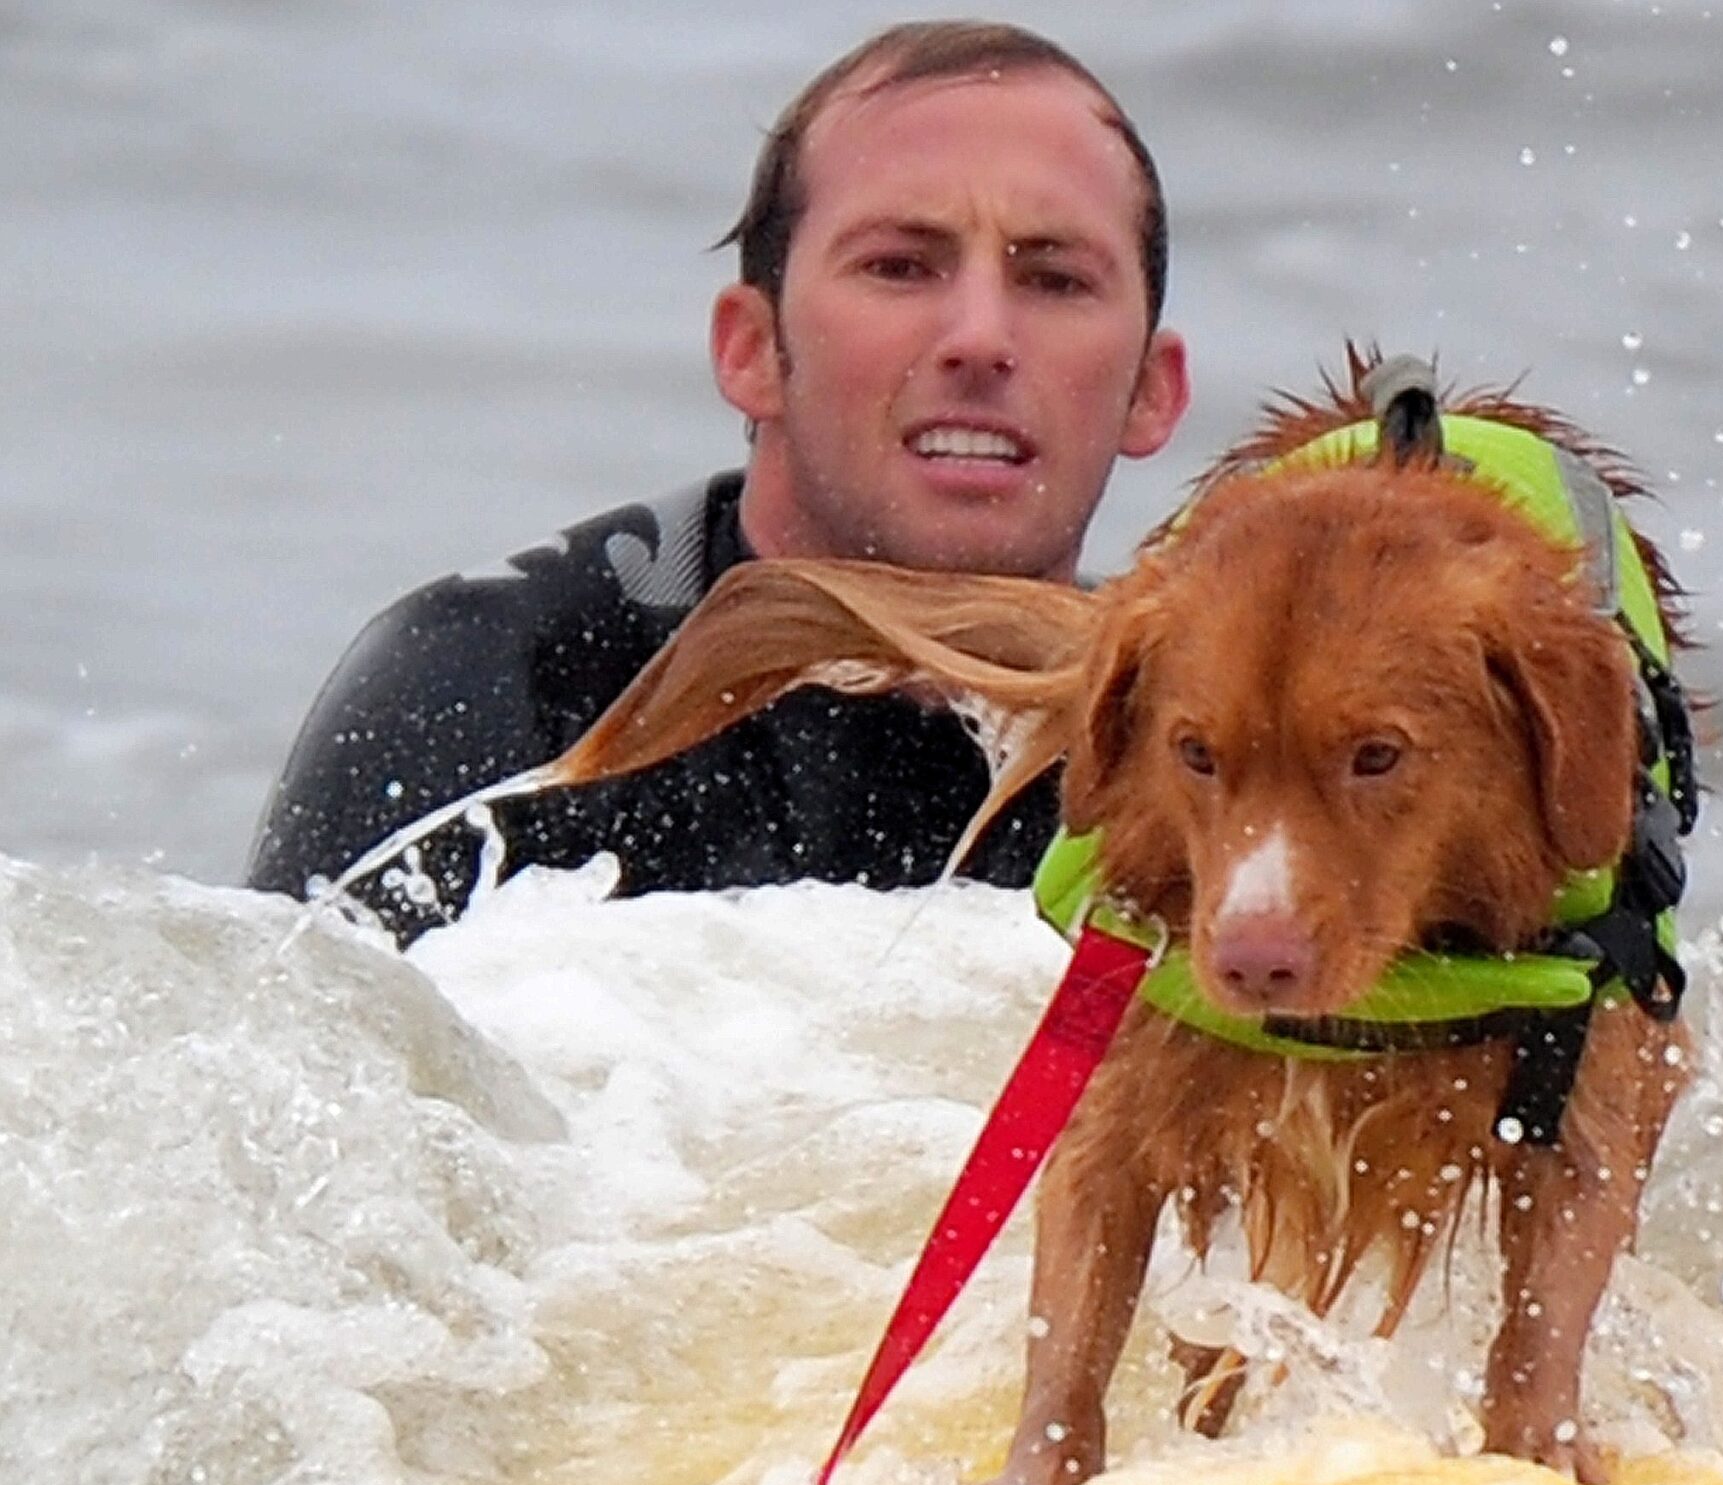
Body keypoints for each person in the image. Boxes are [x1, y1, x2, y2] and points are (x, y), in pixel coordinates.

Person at [246, 20, 1190, 940]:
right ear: (752, 351)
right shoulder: (504, 690)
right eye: (900, 267)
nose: (981, 338)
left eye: (1056, 281)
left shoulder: (1208, 742)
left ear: (1153, 390)